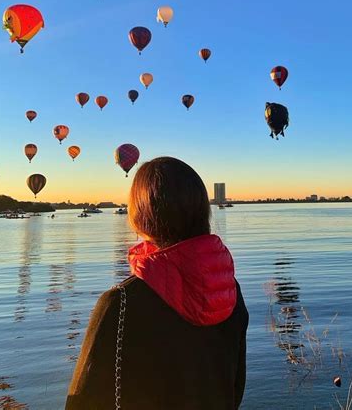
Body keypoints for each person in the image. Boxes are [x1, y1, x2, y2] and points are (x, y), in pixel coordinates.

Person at [66, 157, 248, 410]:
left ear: (140, 214)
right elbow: (234, 387)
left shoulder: (121, 302)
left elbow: (84, 401)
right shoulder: (229, 292)